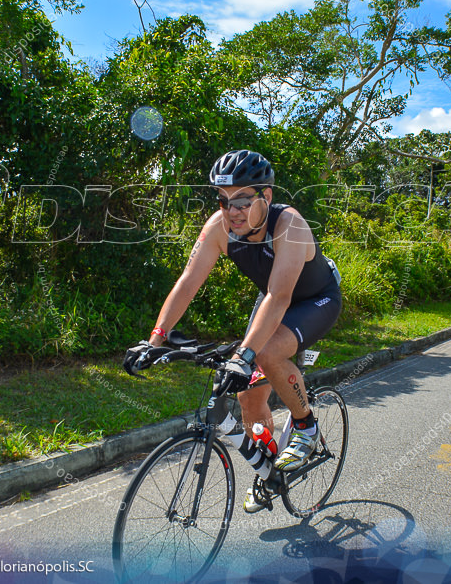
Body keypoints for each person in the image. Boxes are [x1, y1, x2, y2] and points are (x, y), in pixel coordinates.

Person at [125, 150, 342, 512]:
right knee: (247, 396)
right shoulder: (218, 227)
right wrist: (155, 340)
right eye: (224, 201)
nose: (232, 211)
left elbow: (279, 296)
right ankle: (269, 472)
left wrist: (244, 355)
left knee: (268, 353)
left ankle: (306, 427)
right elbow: (187, 283)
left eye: (242, 200)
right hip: (273, 297)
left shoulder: (289, 224)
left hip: (315, 299)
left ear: (265, 197)